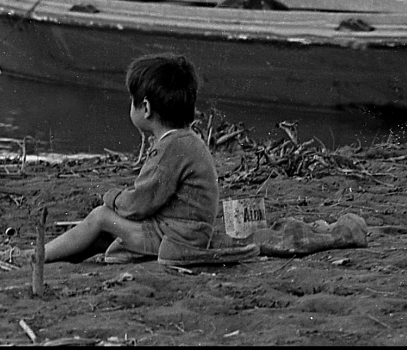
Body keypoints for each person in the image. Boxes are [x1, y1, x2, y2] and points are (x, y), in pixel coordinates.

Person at [29, 53, 257, 266]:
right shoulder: (187, 140)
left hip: (177, 239)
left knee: (100, 217)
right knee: (105, 230)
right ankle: (52, 256)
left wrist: (112, 198)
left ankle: (36, 256)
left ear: (145, 108)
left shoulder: (170, 149)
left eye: (132, 100)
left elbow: (137, 206)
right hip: (187, 232)